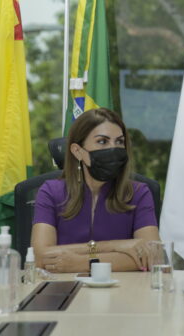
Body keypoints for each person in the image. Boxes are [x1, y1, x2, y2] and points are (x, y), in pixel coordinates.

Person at [31, 108, 160, 273]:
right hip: (63, 289)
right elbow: (41, 257)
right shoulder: (50, 191)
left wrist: (82, 263)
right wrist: (118, 246)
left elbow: (152, 256)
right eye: (102, 141)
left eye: (119, 142)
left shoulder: (138, 192)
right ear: (77, 151)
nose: (113, 148)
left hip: (123, 291)